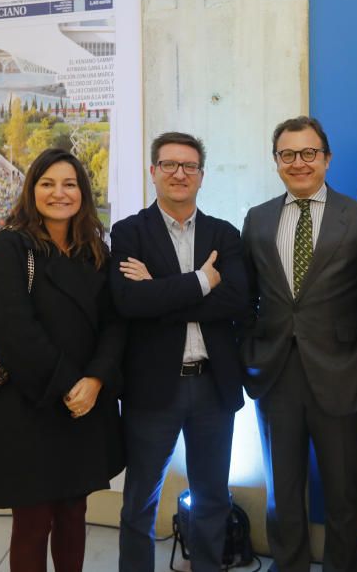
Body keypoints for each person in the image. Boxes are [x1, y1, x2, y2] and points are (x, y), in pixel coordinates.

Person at [241, 116, 357, 572]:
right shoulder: (258, 218)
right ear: (276, 161)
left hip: (342, 374)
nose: (299, 162)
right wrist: (251, 354)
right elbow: (246, 297)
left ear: (326, 159)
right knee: (283, 493)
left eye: (309, 153)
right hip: (276, 374)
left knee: (343, 493)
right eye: (288, 154)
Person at [0, 148, 125, 572]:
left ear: (83, 193)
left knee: (74, 514)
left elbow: (115, 324)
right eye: (48, 184)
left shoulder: (95, 249)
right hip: (28, 408)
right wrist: (68, 387)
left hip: (83, 406)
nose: (60, 193)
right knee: (34, 521)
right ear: (32, 190)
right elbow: (15, 331)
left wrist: (94, 380)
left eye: (70, 184)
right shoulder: (11, 245)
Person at [111, 132, 248, 572]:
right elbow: (130, 303)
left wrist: (160, 292)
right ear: (153, 172)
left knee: (212, 496)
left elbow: (239, 299)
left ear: (202, 176)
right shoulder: (129, 232)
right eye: (169, 164)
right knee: (140, 501)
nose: (179, 173)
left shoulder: (223, 234)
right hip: (154, 389)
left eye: (189, 166)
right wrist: (202, 282)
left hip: (213, 386)